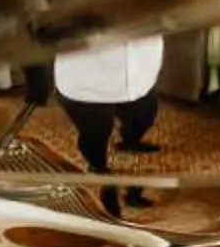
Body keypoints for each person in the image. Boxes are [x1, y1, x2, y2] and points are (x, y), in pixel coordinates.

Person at [51, 36, 164, 174]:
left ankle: (130, 141)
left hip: (138, 70)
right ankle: (97, 164)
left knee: (145, 113)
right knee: (97, 128)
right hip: (88, 75)